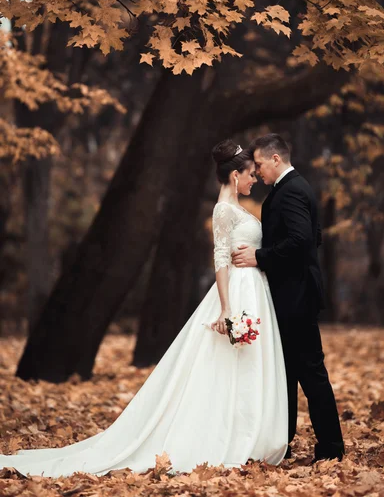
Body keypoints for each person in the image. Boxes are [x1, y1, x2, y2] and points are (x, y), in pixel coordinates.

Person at [0, 139, 287, 478]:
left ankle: (250, 433)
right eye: (251, 174)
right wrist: (226, 308)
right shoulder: (224, 209)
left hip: (253, 288)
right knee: (233, 363)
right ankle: (234, 436)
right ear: (235, 175)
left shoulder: (236, 207)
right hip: (237, 291)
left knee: (246, 363)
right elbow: (220, 260)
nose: (254, 179)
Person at [232, 133, 344, 462]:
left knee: (309, 371)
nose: (259, 171)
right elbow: (314, 237)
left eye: (261, 164)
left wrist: (261, 257)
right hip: (293, 293)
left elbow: (301, 240)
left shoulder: (292, 190)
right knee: (290, 373)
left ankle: (331, 449)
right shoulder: (296, 188)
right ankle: (286, 442)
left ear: (276, 159)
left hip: (296, 297)